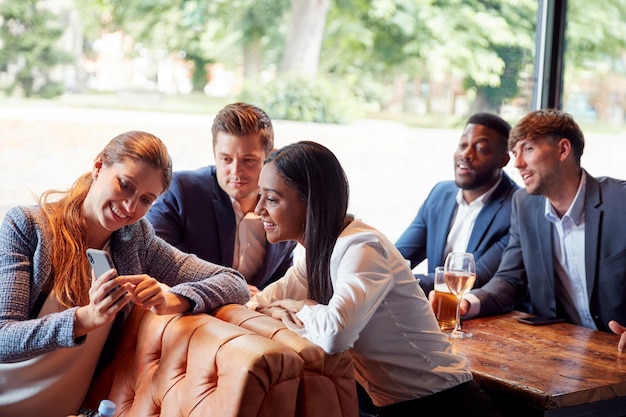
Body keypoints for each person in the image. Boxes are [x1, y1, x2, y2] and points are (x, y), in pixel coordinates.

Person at [0, 131, 250, 417]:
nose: (130, 207)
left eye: (146, 200)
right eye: (125, 185)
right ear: (98, 166)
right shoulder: (27, 226)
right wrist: (87, 319)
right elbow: (3, 339)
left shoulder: (136, 241)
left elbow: (234, 282)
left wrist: (173, 300)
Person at [247, 141, 501, 417]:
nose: (258, 208)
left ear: (311, 201)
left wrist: (301, 307)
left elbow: (335, 334)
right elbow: (258, 305)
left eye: (271, 199)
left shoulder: (361, 246)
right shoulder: (314, 255)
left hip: (447, 405)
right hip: (397, 406)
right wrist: (282, 308)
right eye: (261, 196)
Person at [460, 109, 626, 352]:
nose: (517, 163)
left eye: (528, 149)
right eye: (515, 153)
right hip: (561, 352)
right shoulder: (524, 205)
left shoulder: (620, 201)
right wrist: (466, 303)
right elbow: (509, 279)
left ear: (563, 150)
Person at [146, 102, 296, 295]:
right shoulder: (182, 191)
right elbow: (152, 259)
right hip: (192, 313)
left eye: (248, 160)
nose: (236, 172)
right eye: (226, 159)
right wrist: (231, 290)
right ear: (214, 155)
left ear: (270, 157)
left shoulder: (285, 206)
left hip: (252, 316)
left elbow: (282, 282)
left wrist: (263, 297)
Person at [395, 113, 519, 294]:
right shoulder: (440, 194)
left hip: (483, 314)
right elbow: (397, 258)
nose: (466, 154)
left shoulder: (517, 207)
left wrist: (395, 284)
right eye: (463, 145)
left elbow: (474, 277)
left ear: (503, 160)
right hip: (436, 312)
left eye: (481, 149)